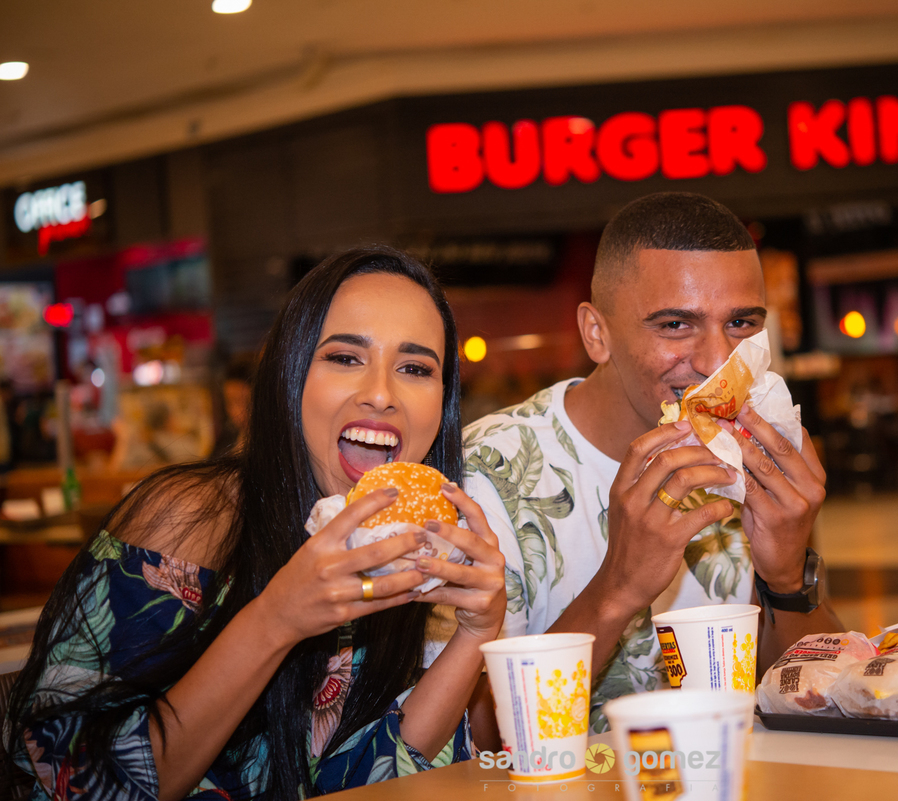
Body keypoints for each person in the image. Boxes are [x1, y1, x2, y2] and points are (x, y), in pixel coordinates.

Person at [3, 248, 507, 800]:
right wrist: (276, 619)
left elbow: (372, 781)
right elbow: (75, 784)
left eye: (415, 368)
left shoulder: (403, 551)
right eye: (344, 357)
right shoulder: (191, 518)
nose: (382, 394)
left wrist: (473, 636)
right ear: (288, 377)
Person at [458, 192, 841, 739]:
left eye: (741, 324)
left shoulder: (754, 456)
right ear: (597, 333)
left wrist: (785, 579)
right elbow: (474, 745)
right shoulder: (485, 475)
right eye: (675, 326)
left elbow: (824, 697)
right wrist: (617, 589)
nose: (716, 362)